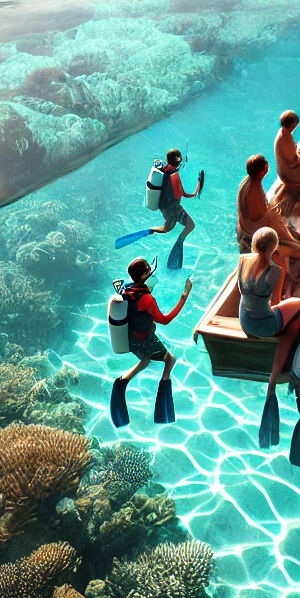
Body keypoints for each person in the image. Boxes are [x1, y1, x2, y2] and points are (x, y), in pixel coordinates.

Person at [238, 226, 300, 448]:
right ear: (274, 247)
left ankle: (280, 359)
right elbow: (276, 302)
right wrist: (285, 272)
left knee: (276, 305)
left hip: (245, 320)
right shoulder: (275, 270)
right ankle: (280, 367)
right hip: (264, 325)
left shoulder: (243, 260)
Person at [110, 256, 193, 427]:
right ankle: (163, 395)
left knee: (146, 361)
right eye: (148, 268)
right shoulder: (146, 299)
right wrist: (185, 295)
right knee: (170, 359)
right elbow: (165, 320)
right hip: (145, 339)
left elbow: (137, 307)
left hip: (131, 337)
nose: (150, 268)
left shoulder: (126, 289)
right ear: (143, 275)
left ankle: (123, 381)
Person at [237, 154, 300, 260]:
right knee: (288, 244)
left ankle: (294, 240)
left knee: (281, 216)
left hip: (247, 228)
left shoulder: (246, 182)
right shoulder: (255, 192)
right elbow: (266, 220)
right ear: (263, 171)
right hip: (256, 234)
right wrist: (286, 234)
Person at [148, 149, 203, 268]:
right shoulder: (175, 175)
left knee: (167, 228)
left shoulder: (163, 170)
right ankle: (180, 241)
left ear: (167, 160)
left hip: (163, 207)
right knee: (190, 225)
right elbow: (182, 194)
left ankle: (151, 230)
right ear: (179, 161)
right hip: (172, 207)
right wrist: (197, 189)